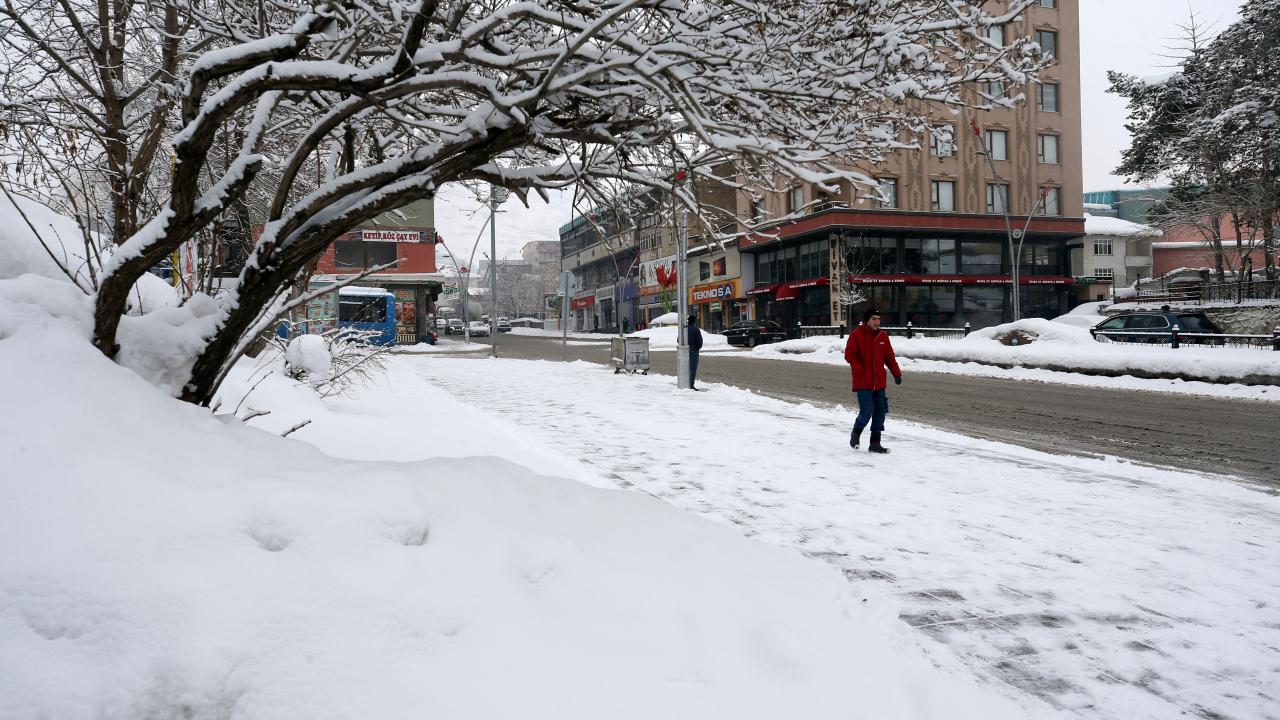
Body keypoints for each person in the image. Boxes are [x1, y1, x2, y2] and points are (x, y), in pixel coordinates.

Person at [843, 308, 902, 453]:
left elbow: (889, 357)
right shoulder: (856, 335)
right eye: (873, 319)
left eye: (878, 319)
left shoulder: (883, 336)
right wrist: (857, 368)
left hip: (879, 383)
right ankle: (856, 433)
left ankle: (875, 443)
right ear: (867, 320)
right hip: (863, 382)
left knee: (880, 412)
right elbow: (849, 354)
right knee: (867, 411)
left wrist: (896, 373)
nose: (877, 322)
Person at [687, 313, 704, 390]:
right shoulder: (696, 329)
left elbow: (678, 340)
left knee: (685, 368)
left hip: (684, 352)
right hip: (693, 351)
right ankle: (690, 385)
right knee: (692, 369)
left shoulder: (684, 329)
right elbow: (700, 342)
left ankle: (684, 383)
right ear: (694, 321)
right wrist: (697, 348)